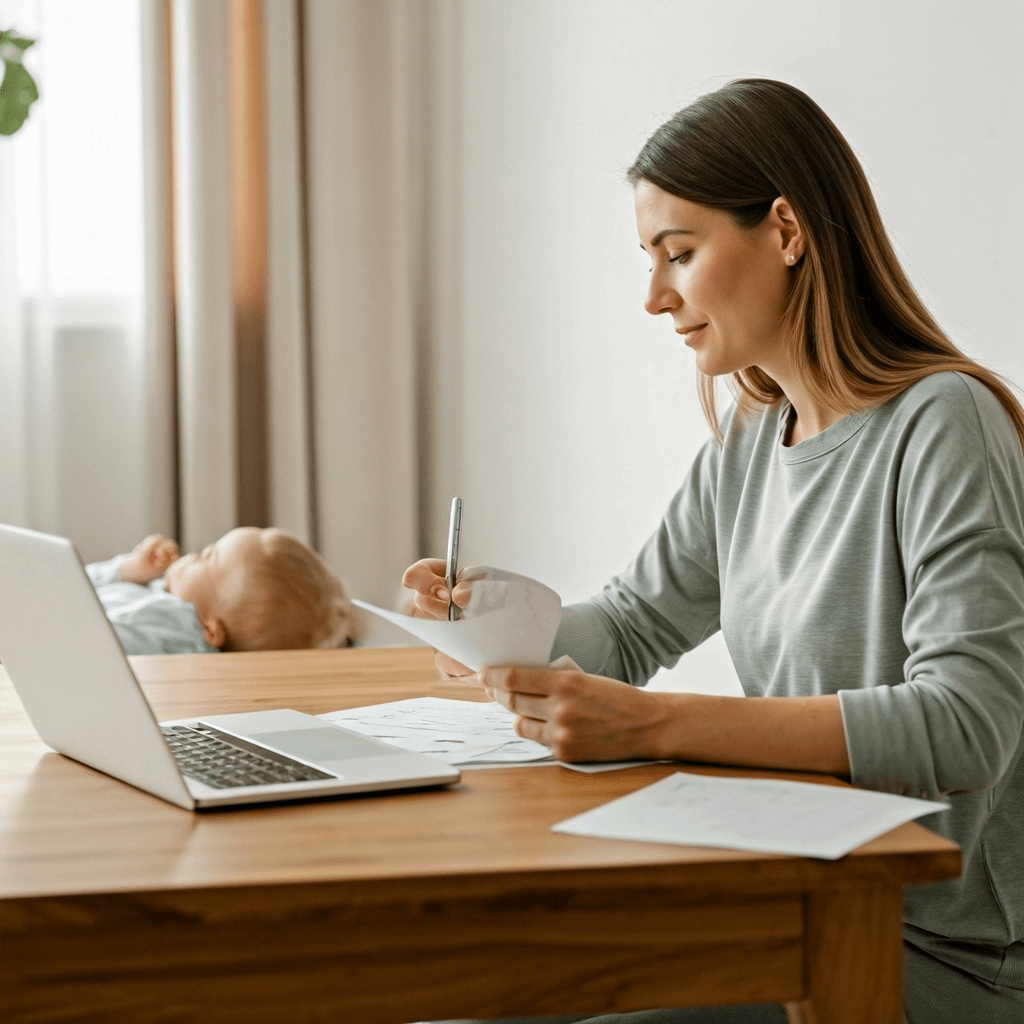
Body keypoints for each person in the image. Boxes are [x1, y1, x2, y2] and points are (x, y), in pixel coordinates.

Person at [403, 79, 1024, 1024]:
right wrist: (496, 619)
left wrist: (654, 727)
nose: (655, 298)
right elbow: (631, 625)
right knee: (483, 984)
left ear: (786, 230)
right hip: (796, 891)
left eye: (679, 254)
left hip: (930, 952)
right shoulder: (749, 437)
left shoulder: (945, 424)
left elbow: (965, 725)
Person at [87, 527, 358, 655]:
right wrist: (127, 569)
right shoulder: (162, 594)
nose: (193, 554)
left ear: (210, 630)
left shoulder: (175, 623)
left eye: (207, 557)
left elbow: (86, 637)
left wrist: (122, 573)